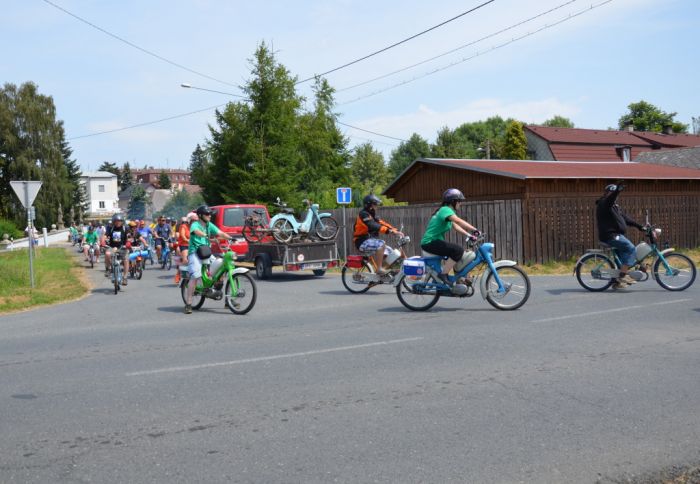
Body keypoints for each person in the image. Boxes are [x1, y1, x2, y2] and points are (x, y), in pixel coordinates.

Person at [420, 188, 480, 287]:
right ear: (453, 201)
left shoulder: (445, 211)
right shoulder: (445, 210)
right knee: (458, 250)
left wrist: (469, 235)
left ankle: (459, 278)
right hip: (429, 242)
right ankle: (443, 275)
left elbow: (456, 226)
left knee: (458, 253)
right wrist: (475, 230)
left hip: (433, 242)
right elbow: (458, 221)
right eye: (459, 201)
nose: (460, 204)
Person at [596, 182, 645, 289]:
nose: (615, 195)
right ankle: (622, 276)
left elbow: (626, 219)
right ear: (607, 193)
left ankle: (617, 282)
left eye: (616, 194)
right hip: (610, 236)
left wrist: (640, 227)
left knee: (623, 257)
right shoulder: (604, 203)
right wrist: (618, 189)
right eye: (612, 193)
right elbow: (610, 200)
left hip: (616, 235)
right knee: (631, 248)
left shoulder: (614, 207)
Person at [184, 205, 232, 314]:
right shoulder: (195, 224)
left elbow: (220, 233)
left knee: (221, 267)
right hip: (195, 253)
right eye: (207, 214)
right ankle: (188, 303)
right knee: (195, 276)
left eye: (210, 214)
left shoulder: (209, 225)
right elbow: (196, 231)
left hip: (206, 252)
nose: (210, 216)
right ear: (200, 215)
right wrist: (205, 234)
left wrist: (230, 238)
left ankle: (228, 300)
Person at [353, 194, 403, 274]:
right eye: (375, 204)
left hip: (369, 240)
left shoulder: (372, 214)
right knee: (381, 244)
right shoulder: (363, 214)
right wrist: (388, 231)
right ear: (369, 205)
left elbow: (381, 223)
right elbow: (373, 225)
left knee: (390, 252)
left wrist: (394, 230)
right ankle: (379, 269)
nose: (377, 206)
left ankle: (385, 271)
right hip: (361, 241)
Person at [103, 213, 130, 286]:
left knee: (126, 260)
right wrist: (102, 241)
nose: (118, 222)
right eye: (116, 221)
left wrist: (128, 243)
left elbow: (129, 237)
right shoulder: (110, 228)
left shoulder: (125, 228)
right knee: (107, 254)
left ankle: (125, 277)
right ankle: (108, 269)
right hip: (112, 247)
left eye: (120, 221)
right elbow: (105, 236)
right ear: (113, 221)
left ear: (122, 221)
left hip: (123, 247)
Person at [175, 213, 195, 284]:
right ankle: (178, 273)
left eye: (195, 220)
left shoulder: (196, 227)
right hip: (184, 245)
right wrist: (188, 240)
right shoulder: (183, 226)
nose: (194, 222)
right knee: (185, 261)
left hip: (194, 245)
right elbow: (183, 236)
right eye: (193, 220)